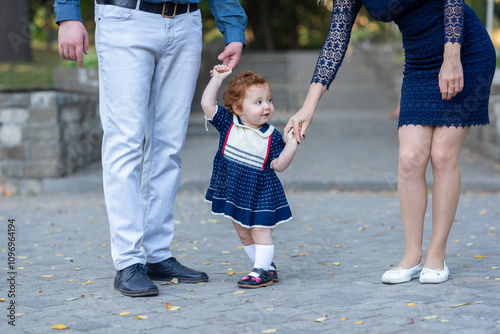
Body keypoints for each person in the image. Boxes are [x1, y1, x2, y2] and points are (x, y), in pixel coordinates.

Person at [285, 0, 495, 284]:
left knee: (443, 155)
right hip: (419, 64)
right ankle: (411, 257)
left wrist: (452, 56)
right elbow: (335, 42)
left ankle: (436, 254)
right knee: (409, 160)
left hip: (463, 51)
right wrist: (308, 107)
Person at [54, 0, 247, 297]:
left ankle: (156, 254)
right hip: (125, 17)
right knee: (125, 142)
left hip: (186, 23)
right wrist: (67, 15)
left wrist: (233, 27)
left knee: (168, 146)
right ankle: (129, 261)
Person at [201, 65, 298, 288]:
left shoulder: (272, 136)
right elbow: (207, 104)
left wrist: (291, 146)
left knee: (260, 231)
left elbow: (278, 165)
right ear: (237, 107)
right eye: (258, 102)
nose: (267, 106)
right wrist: (217, 78)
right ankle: (265, 268)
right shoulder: (228, 124)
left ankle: (261, 270)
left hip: (261, 191)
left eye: (269, 100)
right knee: (244, 233)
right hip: (235, 190)